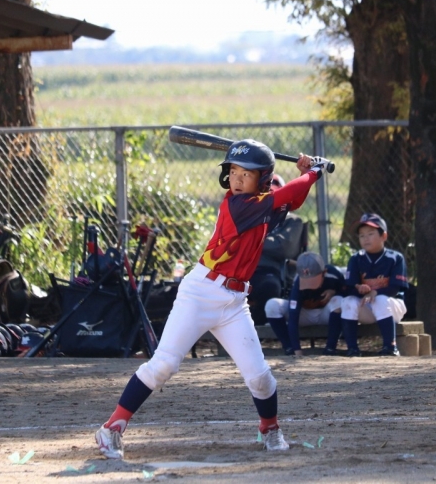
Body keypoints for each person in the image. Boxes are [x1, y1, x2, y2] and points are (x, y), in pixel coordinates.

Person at [95, 139, 325, 459]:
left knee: (260, 377)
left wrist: (306, 174)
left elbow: (292, 200)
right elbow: (286, 195)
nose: (237, 179)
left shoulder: (261, 203)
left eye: (246, 174)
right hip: (201, 294)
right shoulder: (239, 205)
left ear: (262, 179)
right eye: (233, 172)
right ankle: (111, 428)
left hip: (234, 303)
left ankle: (270, 429)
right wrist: (314, 173)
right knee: (164, 364)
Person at [336, 213, 408, 357]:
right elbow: (350, 288)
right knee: (348, 301)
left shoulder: (395, 258)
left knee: (380, 300)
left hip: (392, 307)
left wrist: (374, 292)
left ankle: (390, 347)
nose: (365, 238)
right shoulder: (356, 259)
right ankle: (352, 349)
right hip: (368, 308)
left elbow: (395, 288)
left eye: (370, 234)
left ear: (383, 236)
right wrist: (359, 289)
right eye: (361, 235)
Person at [264, 251, 349, 356]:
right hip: (304, 315)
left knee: (339, 301)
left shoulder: (334, 274)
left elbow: (347, 294)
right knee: (272, 305)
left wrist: (334, 292)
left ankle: (330, 348)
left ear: (324, 272)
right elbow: (293, 317)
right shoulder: (297, 282)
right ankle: (289, 348)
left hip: (325, 314)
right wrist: (297, 349)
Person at [248, 174, 307, 325]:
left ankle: (260, 329)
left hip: (271, 271)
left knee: (269, 287)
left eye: (275, 195)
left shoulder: (292, 221)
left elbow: (284, 247)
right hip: (244, 271)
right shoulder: (251, 218)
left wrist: (253, 239)